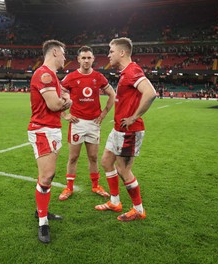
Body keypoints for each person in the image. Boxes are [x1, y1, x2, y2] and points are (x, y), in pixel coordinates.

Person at [95, 37, 156, 221]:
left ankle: (138, 210)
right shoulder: (125, 73)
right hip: (118, 128)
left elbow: (150, 93)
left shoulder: (132, 71)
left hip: (130, 130)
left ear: (122, 52)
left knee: (123, 170)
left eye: (111, 51)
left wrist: (134, 117)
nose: (108, 55)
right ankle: (115, 202)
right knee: (106, 161)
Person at [27, 39, 72, 243]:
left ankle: (41, 211)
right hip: (43, 130)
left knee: (48, 177)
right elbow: (55, 104)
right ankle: (43, 222)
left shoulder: (53, 76)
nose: (65, 57)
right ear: (54, 52)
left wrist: (65, 101)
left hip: (52, 129)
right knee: (47, 176)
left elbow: (63, 99)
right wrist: (67, 102)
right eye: (63, 53)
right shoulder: (44, 74)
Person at [58, 46, 116, 201]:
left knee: (93, 157)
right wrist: (64, 114)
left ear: (93, 59)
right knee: (73, 157)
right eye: (83, 58)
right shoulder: (71, 77)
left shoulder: (99, 77)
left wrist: (103, 114)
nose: (86, 60)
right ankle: (69, 188)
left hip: (94, 123)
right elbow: (57, 93)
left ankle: (96, 185)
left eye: (89, 58)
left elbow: (112, 94)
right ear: (78, 59)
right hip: (77, 123)